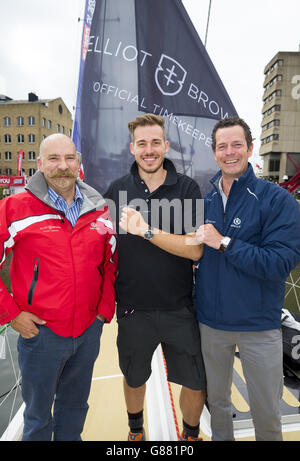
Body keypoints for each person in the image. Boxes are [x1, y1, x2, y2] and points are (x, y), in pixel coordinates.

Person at [0, 133, 117, 441]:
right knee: (38, 419)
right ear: (40, 164)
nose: (62, 166)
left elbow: (110, 263)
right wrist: (11, 314)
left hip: (88, 332)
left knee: (75, 410)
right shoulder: (14, 208)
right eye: (53, 159)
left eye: (69, 158)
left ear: (78, 163)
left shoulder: (99, 207)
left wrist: (103, 312)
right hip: (41, 336)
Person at [195, 117, 300, 441]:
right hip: (211, 325)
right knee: (218, 406)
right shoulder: (206, 199)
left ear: (250, 148)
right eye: (222, 146)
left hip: (258, 326)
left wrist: (224, 243)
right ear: (214, 153)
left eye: (236, 145)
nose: (230, 152)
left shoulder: (277, 200)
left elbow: (280, 261)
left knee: (267, 414)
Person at [105, 113, 206, 442]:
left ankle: (189, 437)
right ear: (132, 148)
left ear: (166, 145)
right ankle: (136, 432)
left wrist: (147, 231)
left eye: (155, 143)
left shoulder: (187, 187)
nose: (149, 150)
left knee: (195, 380)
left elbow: (195, 251)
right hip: (134, 308)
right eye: (142, 143)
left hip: (179, 306)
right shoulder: (117, 190)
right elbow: (102, 247)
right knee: (134, 377)